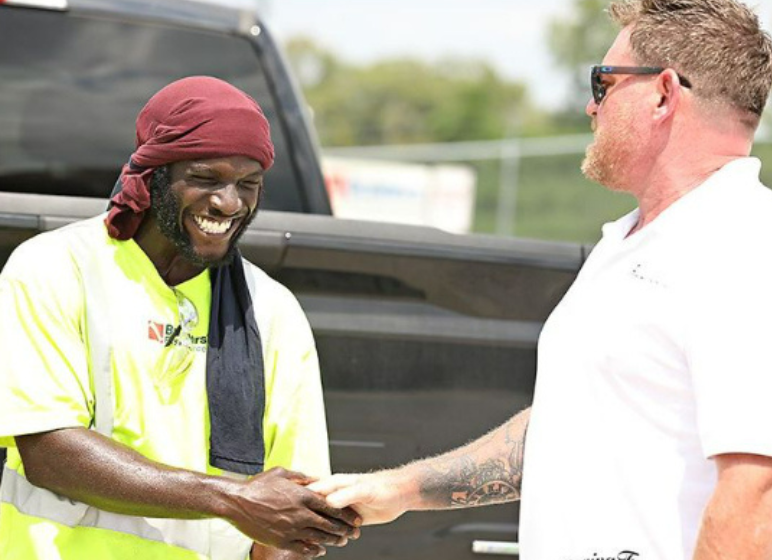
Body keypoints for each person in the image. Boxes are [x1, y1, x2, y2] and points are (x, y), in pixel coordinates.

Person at [311, 1, 772, 558]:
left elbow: (758, 490)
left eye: (603, 82)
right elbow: (568, 422)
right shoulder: (632, 241)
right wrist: (403, 490)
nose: (590, 106)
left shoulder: (741, 245)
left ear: (663, 94)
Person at [0, 76, 360, 560]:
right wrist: (234, 499)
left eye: (248, 184)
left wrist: (286, 533)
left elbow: (293, 506)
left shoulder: (272, 309)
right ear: (153, 175)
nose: (229, 203)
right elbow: (50, 453)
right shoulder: (57, 268)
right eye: (206, 178)